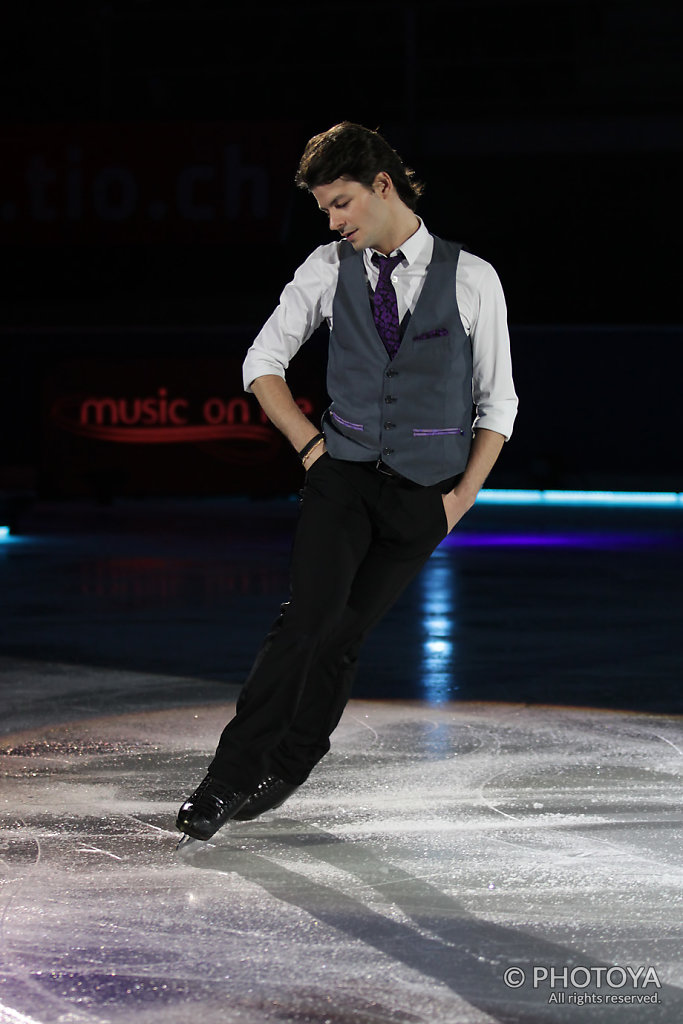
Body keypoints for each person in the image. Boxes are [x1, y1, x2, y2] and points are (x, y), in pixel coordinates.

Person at [176, 122, 518, 841]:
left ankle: (292, 765)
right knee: (305, 622)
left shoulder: (472, 278)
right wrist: (308, 448)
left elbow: (499, 403)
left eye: (339, 203)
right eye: (325, 209)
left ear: (381, 186)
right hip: (342, 477)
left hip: (425, 495)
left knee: (343, 635)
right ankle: (226, 780)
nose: (332, 221)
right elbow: (261, 362)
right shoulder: (326, 268)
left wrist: (460, 500)